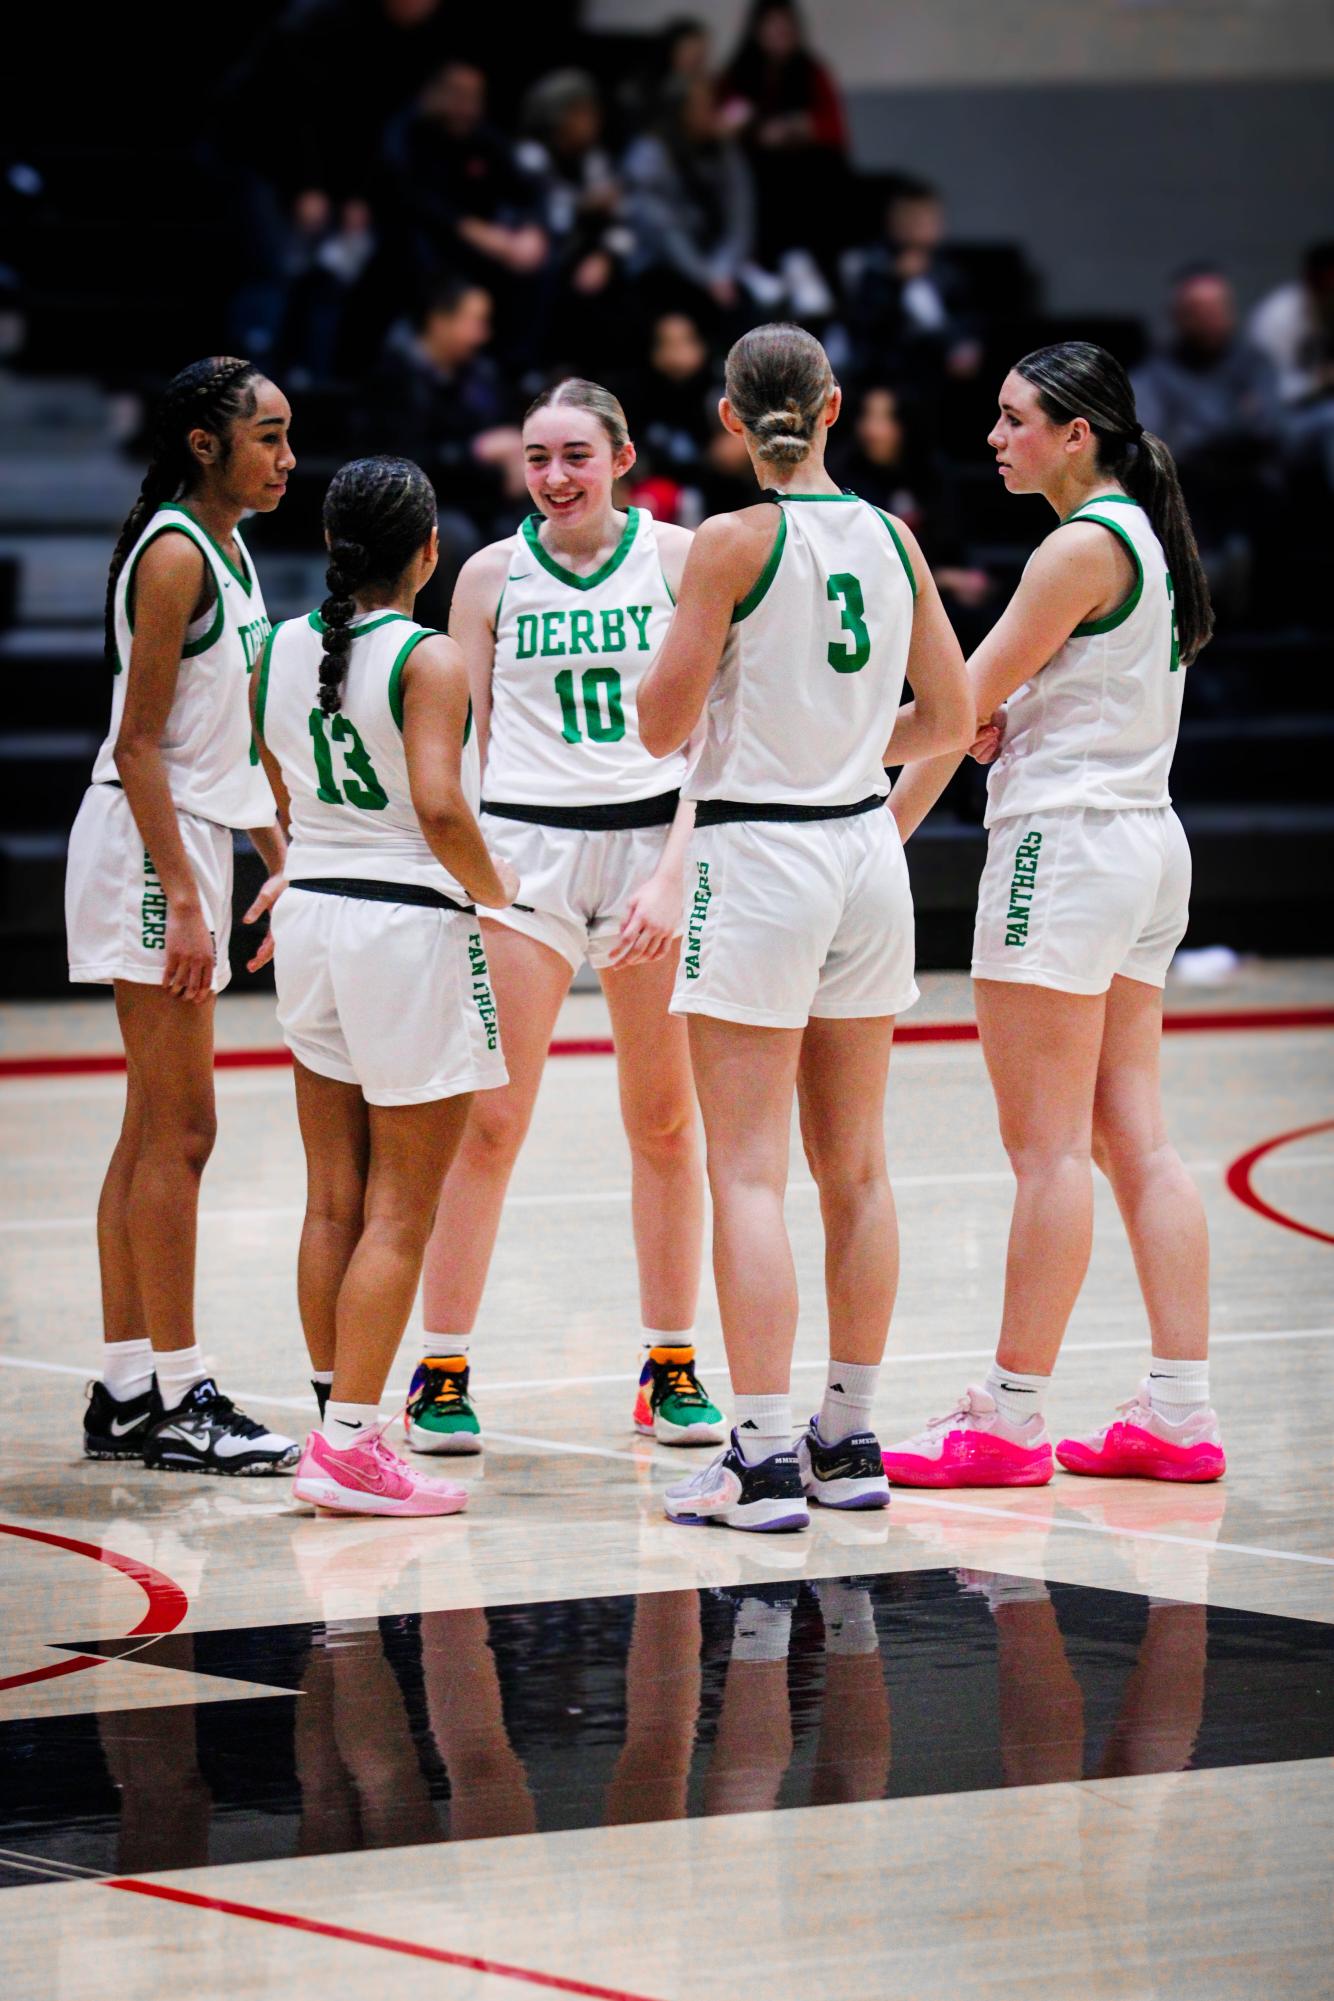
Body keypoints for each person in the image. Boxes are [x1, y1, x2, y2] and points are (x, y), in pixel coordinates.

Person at [636, 322, 974, 1532]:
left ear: (729, 420)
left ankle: (764, 1454)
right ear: (832, 406)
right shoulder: (891, 536)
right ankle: (849, 1435)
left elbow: (656, 728)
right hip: (863, 850)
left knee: (746, 1172)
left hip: (760, 849)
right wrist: (838, 746)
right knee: (859, 1169)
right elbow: (951, 713)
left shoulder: (728, 542)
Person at [883, 340, 1227, 1487]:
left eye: (1014, 418)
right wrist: (998, 720)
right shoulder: (1137, 534)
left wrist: (827, 777)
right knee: (1134, 1137)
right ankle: (1178, 1411)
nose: (994, 437)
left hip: (1064, 854)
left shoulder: (1075, 546)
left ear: (1075, 432)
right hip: (1142, 847)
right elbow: (1005, 706)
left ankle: (1009, 1417)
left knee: (1045, 1152)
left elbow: (951, 708)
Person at [409, 379, 725, 1457]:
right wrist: (476, 872)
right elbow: (469, 743)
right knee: (489, 1123)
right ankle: (439, 1370)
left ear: (622, 455)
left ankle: (670, 1363)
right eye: (538, 457)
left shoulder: (681, 559)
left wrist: (674, 871)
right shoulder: (488, 576)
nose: (554, 477)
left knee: (665, 1121)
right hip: (528, 857)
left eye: (575, 455)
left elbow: (716, 736)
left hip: (649, 850)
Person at [251, 455, 518, 1517]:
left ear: (330, 547)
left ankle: (334, 1415)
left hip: (313, 910)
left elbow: (270, 781)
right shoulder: (430, 656)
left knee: (334, 1197)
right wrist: (500, 899)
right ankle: (354, 1442)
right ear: (427, 551)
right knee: (404, 1208)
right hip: (404, 924)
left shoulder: (272, 646)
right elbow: (442, 810)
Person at [68, 356, 301, 1475]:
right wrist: (185, 902)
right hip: (146, 843)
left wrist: (279, 851)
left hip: (186, 836)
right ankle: (179, 1392)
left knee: (148, 1127)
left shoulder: (226, 544)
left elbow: (235, 731)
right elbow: (140, 743)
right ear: (205, 443)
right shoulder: (171, 553)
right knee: (185, 1131)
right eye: (267, 436)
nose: (287, 458)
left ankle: (125, 1389)